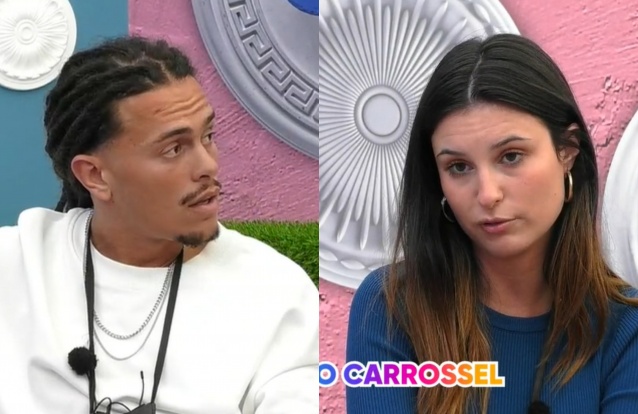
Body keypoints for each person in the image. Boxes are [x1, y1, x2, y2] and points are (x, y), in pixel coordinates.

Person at [0, 36, 318, 414]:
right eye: (174, 149)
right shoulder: (16, 265)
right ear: (95, 175)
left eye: (208, 136)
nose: (208, 166)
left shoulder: (274, 291)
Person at [345, 34, 638, 414]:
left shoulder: (625, 327)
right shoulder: (390, 307)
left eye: (511, 156)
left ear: (567, 151)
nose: (487, 194)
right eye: (459, 167)